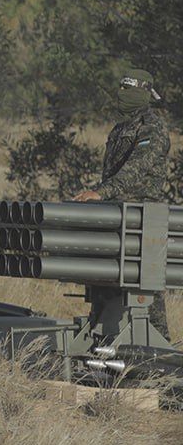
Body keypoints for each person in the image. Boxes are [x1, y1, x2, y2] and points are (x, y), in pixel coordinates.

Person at [72, 68, 172, 340]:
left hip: (142, 222)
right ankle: (102, 340)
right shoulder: (120, 129)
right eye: (121, 87)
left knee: (145, 294)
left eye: (128, 89)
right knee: (106, 286)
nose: (122, 93)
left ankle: (156, 352)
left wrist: (100, 193)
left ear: (143, 93)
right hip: (115, 217)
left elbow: (135, 170)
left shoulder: (153, 128)